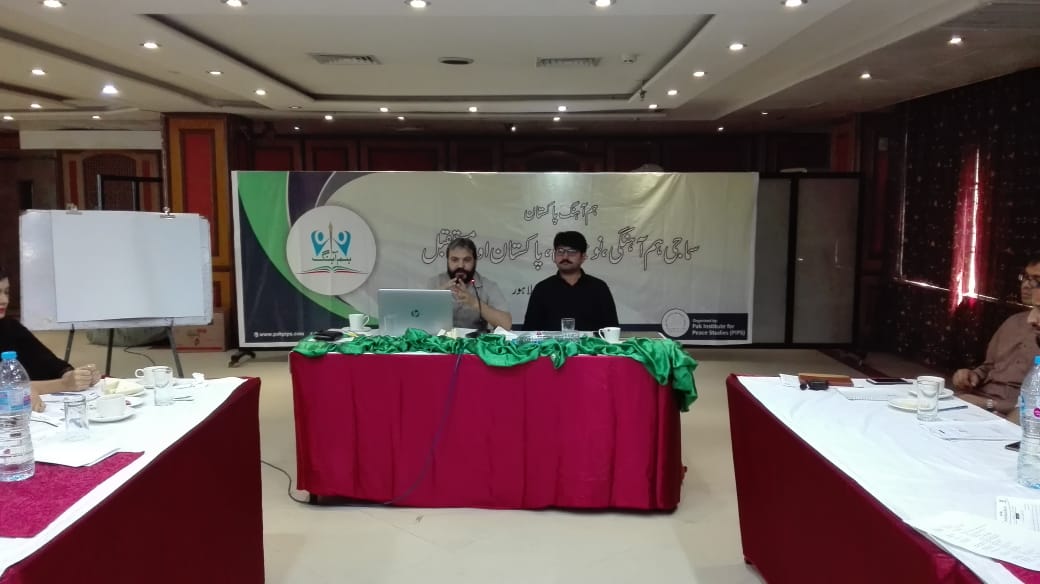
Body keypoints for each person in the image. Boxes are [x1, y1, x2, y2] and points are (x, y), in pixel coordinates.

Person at [0, 267, 100, 412]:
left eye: (6, 292)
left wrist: (78, 376)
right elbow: (8, 391)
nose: (4, 300)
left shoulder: (9, 326)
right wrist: (65, 384)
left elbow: (50, 364)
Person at [952, 258, 1040, 420]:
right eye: (1026, 278)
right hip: (981, 397)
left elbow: (1034, 407)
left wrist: (989, 404)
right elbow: (989, 366)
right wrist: (972, 376)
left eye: (1036, 281)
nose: (1026, 285)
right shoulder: (1013, 322)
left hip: (1016, 414)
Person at [523, 231, 619, 331]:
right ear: (554, 256)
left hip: (590, 342)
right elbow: (529, 330)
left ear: (583, 257)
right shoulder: (542, 289)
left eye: (572, 252)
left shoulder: (599, 288)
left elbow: (612, 329)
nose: (565, 257)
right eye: (560, 251)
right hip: (551, 342)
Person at [426, 238, 512, 331]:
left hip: (474, 339)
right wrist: (436, 297)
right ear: (448, 261)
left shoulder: (488, 286)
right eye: (454, 260)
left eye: (467, 260)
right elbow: (419, 317)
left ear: (475, 261)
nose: (460, 265)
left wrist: (474, 302)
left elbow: (506, 325)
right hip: (440, 339)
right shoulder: (435, 282)